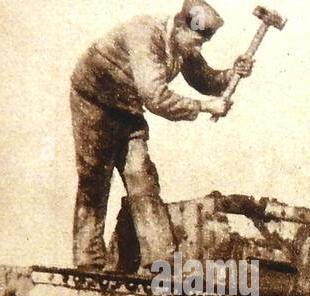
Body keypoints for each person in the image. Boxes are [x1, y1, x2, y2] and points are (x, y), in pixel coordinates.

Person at [70, 1, 254, 271]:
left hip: (127, 107)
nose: (198, 49)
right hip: (94, 100)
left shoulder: (182, 43)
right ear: (181, 26)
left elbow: (204, 79)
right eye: (197, 42)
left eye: (203, 43)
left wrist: (233, 73)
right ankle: (88, 262)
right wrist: (204, 107)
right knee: (94, 179)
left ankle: (160, 261)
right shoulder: (146, 35)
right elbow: (155, 97)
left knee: (142, 176)